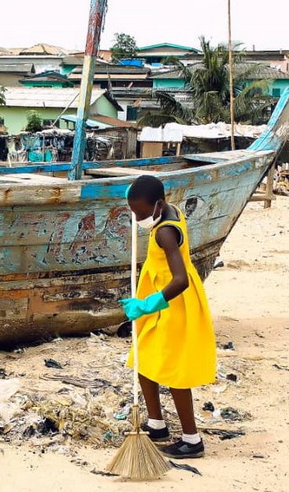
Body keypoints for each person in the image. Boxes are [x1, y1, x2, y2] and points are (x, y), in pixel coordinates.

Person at [120, 175, 216, 459]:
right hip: (160, 299)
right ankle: (156, 424)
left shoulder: (165, 232)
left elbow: (181, 279)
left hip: (173, 303)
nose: (137, 218)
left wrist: (148, 304)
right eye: (133, 211)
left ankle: (192, 440)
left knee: (174, 370)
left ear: (158, 205)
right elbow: (145, 195)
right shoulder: (166, 208)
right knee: (143, 358)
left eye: (140, 213)